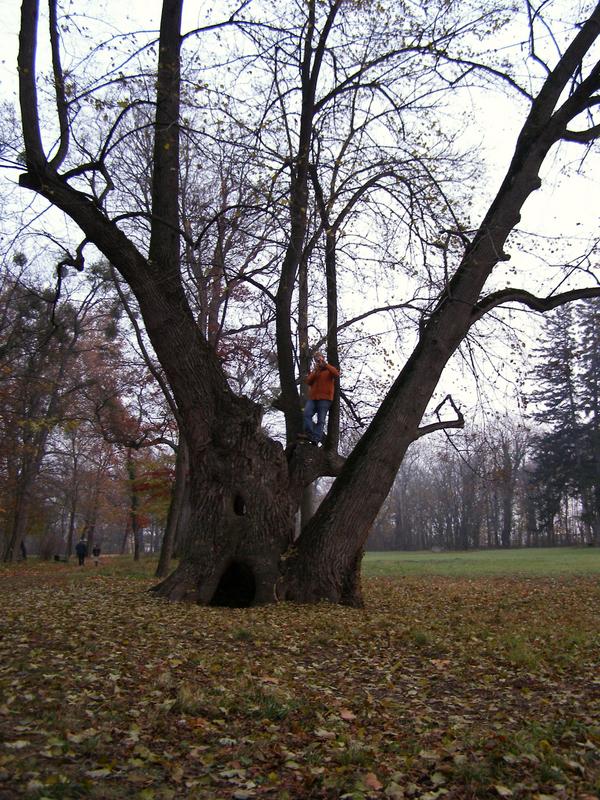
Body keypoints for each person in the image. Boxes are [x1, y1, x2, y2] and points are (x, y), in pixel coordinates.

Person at [299, 352, 340, 445]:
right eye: (315, 359)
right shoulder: (316, 371)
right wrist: (316, 370)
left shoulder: (329, 369)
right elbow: (308, 381)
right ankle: (309, 434)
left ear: (323, 357)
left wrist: (325, 364)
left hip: (325, 398)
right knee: (306, 413)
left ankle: (316, 438)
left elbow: (336, 373)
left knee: (321, 420)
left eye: (319, 358)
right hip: (313, 398)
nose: (317, 360)